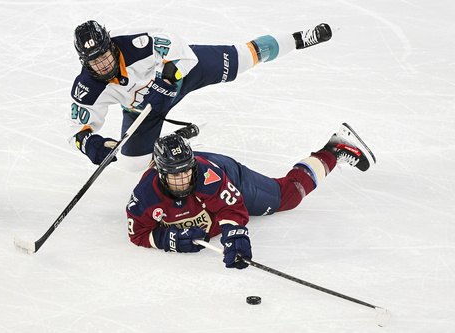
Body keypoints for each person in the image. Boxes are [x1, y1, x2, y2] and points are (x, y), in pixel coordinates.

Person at [68, 20, 333, 168]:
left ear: (111, 45)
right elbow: (77, 130)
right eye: (94, 61)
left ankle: (298, 39)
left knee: (243, 57)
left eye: (104, 55)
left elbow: (174, 43)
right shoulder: (87, 86)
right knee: (133, 165)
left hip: (180, 76)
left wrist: (167, 78)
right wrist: (89, 143)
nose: (102, 64)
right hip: (143, 109)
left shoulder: (134, 42)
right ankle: (174, 140)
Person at [126, 123, 376, 269]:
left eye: (186, 171)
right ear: (160, 173)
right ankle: (175, 141)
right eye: (174, 175)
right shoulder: (144, 197)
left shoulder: (207, 176)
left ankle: (333, 150)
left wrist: (234, 234)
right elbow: (137, 233)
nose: (184, 180)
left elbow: (232, 209)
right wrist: (167, 239)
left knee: (285, 197)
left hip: (227, 173)